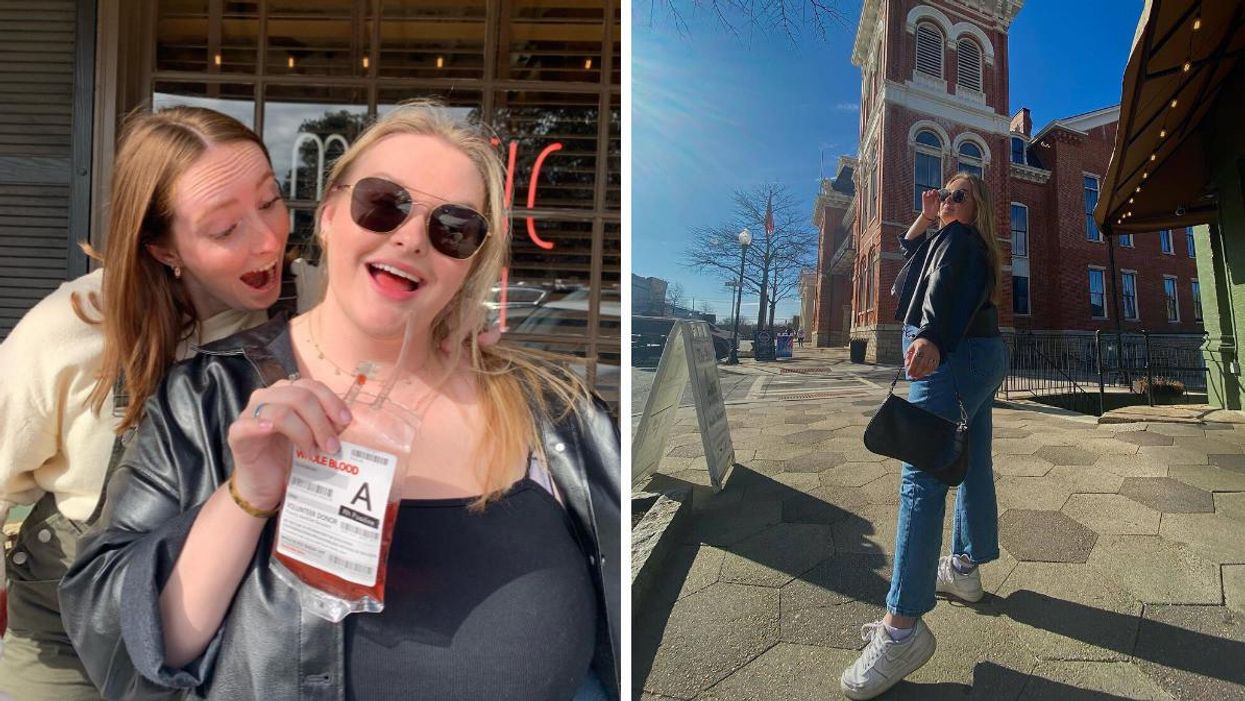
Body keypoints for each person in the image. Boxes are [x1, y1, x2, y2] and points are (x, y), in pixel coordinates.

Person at [60, 101, 621, 701]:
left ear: (471, 262)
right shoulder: (206, 396)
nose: (409, 238)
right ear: (328, 216)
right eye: (382, 204)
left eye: (452, 229)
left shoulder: (555, 414)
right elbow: (125, 638)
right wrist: (245, 498)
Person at [0, 106, 290, 700]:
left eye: (269, 200)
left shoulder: (310, 306)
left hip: (236, 630)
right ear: (162, 249)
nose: (268, 240)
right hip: (68, 638)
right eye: (224, 228)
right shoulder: (73, 329)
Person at [840, 173, 1007, 700]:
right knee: (972, 460)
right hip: (979, 354)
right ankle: (963, 567)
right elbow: (905, 277)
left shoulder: (960, 241)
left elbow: (935, 290)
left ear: (977, 209)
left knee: (922, 477)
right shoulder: (945, 238)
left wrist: (931, 336)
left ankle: (902, 628)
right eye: (945, 193)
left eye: (959, 196)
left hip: (951, 354)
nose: (947, 201)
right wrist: (925, 215)